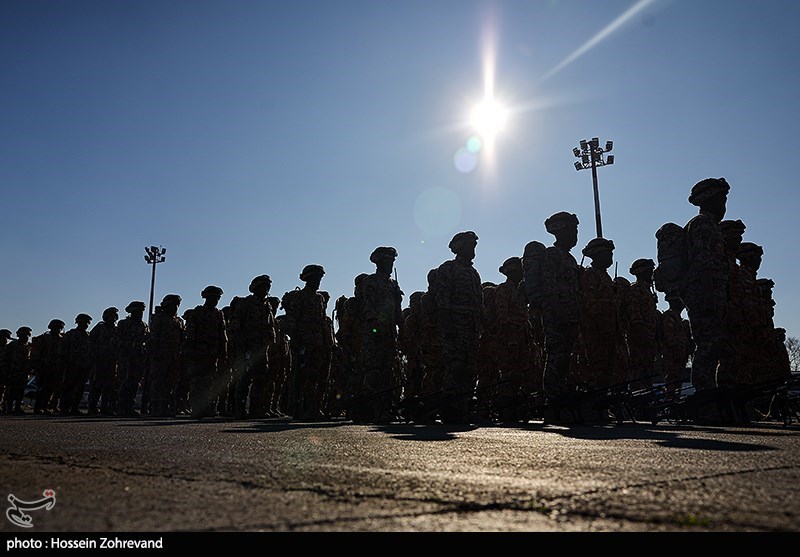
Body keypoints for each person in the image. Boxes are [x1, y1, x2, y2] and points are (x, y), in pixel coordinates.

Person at [683, 177, 730, 391]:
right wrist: (709, 295)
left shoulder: (712, 226)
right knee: (707, 346)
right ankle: (705, 398)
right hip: (704, 295)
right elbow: (703, 262)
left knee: (717, 346)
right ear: (709, 199)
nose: (724, 204)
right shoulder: (702, 224)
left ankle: (713, 395)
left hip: (713, 295)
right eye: (721, 199)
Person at [431, 231, 483, 423]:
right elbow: (442, 300)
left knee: (470, 368)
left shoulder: (473, 273)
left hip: (472, 327)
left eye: (474, 247)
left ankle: (465, 406)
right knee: (455, 366)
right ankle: (451, 408)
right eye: (470, 247)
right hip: (455, 325)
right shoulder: (448, 269)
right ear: (460, 248)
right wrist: (448, 326)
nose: (473, 250)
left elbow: (479, 303)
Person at [353, 247, 404, 422]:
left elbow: (396, 309)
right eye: (387, 262)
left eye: (392, 262)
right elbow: (367, 304)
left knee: (388, 373)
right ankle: (368, 410)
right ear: (379, 263)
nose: (390, 265)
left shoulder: (392, 284)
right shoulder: (371, 281)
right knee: (373, 372)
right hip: (375, 333)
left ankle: (385, 409)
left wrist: (401, 325)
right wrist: (375, 325)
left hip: (389, 333)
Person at [539, 212, 581, 413]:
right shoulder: (552, 255)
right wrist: (558, 313)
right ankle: (552, 402)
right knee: (556, 357)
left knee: (566, 358)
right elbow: (549, 288)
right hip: (557, 316)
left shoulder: (571, 259)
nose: (575, 235)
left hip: (571, 316)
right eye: (572, 230)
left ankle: (562, 397)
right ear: (560, 231)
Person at [281, 265, 332, 420]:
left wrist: (327, 342)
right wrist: (296, 340)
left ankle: (314, 408)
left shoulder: (319, 298)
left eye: (320, 278)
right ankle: (302, 409)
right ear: (308, 279)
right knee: (304, 377)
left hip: (318, 344)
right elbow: (291, 320)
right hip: (304, 343)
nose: (318, 281)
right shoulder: (300, 297)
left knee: (316, 377)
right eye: (315, 278)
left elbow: (323, 321)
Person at [231, 276, 276, 419]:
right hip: (248, 347)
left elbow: (269, 326)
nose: (266, 289)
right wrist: (241, 344)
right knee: (244, 378)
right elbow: (236, 324)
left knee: (260, 378)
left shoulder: (267, 305)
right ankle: (240, 409)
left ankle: (256, 408)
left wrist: (270, 341)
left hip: (261, 349)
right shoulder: (246, 303)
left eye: (268, 286)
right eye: (264, 286)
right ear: (256, 288)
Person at [578, 238, 619, 391]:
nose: (610, 257)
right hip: (596, 332)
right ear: (597, 254)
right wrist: (603, 325)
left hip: (608, 331)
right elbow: (591, 302)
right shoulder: (591, 274)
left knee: (607, 369)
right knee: (597, 367)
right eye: (607, 254)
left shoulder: (604, 276)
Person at [184, 286, 228, 418]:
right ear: (206, 298)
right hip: (198, 353)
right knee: (198, 382)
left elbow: (222, 334)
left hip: (212, 353)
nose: (215, 300)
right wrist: (191, 350)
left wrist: (223, 351)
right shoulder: (197, 313)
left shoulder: (218, 314)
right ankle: (196, 408)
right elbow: (190, 333)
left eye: (217, 298)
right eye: (213, 297)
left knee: (210, 382)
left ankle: (207, 408)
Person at [148, 294, 184, 417]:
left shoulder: (178, 321)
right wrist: (155, 352)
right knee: (158, 381)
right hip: (160, 354)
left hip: (173, 355)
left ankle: (165, 406)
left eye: (177, 306)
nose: (175, 308)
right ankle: (155, 407)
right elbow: (153, 336)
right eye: (173, 305)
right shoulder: (159, 318)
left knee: (170, 382)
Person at [626, 258, 659, 390]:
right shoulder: (636, 289)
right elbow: (634, 316)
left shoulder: (646, 290)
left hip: (648, 340)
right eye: (649, 271)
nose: (652, 274)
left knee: (647, 371)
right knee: (638, 371)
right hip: (640, 340)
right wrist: (642, 335)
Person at [116, 301, 149, 416]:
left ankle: (129, 406)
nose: (140, 314)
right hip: (126, 357)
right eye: (137, 311)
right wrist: (126, 345)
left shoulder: (143, 325)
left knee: (135, 383)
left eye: (141, 311)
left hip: (138, 357)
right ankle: (121, 407)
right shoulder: (123, 324)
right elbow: (116, 340)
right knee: (125, 382)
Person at [59, 314, 93, 415]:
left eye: (87, 323)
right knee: (68, 387)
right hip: (71, 365)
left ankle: (74, 407)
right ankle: (64, 408)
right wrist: (63, 362)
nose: (85, 325)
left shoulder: (88, 336)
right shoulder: (70, 334)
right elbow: (62, 349)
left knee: (80, 388)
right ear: (78, 323)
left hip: (83, 366)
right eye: (83, 323)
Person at [88, 307, 119, 415]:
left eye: (114, 316)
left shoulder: (116, 330)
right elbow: (90, 342)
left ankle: (105, 407)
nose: (112, 318)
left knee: (109, 386)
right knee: (97, 384)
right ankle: (92, 407)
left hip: (111, 361)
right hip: (99, 360)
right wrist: (96, 353)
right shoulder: (99, 328)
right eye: (110, 316)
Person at [30, 319, 65, 415]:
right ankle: (38, 408)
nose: (57, 329)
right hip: (44, 367)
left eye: (59, 328)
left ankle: (47, 407)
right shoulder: (43, 338)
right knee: (43, 389)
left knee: (52, 389)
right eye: (55, 327)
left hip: (56, 368)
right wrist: (38, 364)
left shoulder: (62, 340)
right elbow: (36, 352)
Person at [5, 327, 32, 414]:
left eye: (27, 335)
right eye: (23, 335)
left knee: (20, 390)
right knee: (11, 390)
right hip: (13, 371)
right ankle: (8, 407)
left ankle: (17, 407)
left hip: (23, 372)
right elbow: (6, 359)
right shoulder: (12, 345)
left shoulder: (28, 347)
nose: (26, 337)